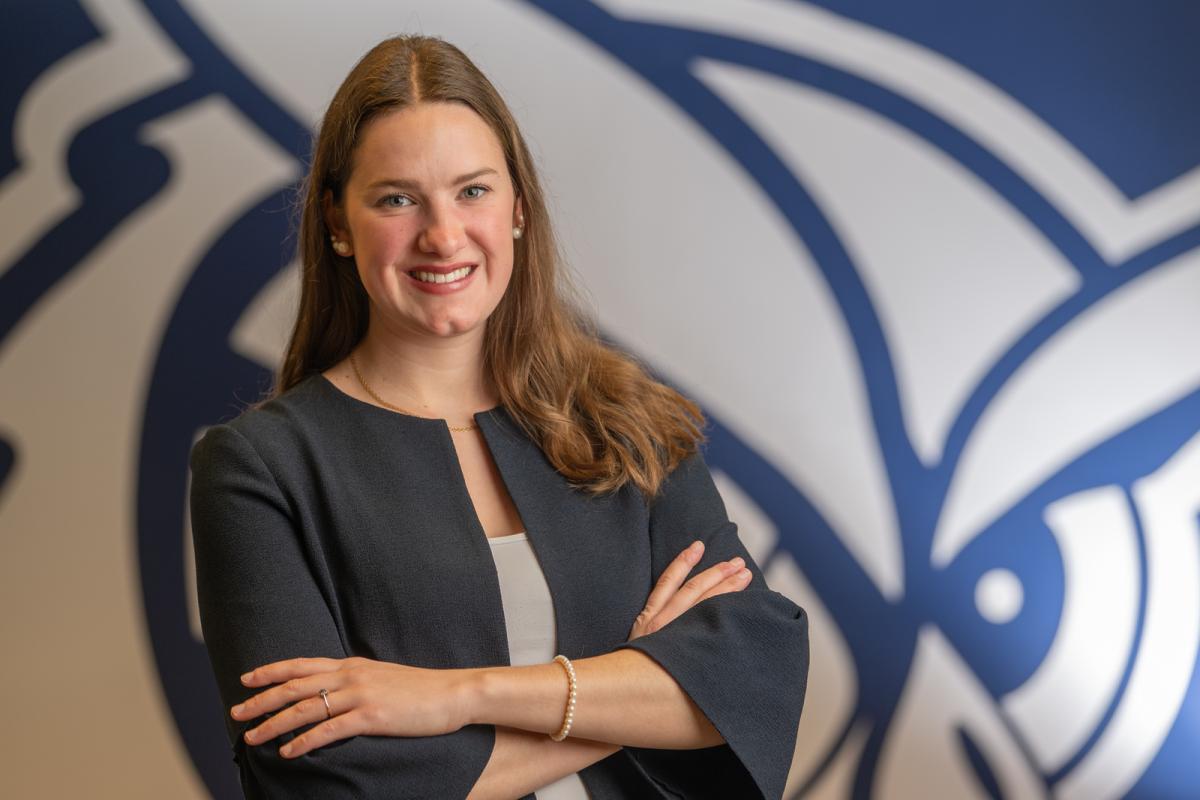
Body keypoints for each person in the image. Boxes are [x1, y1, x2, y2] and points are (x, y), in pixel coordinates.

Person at [189, 34, 808, 800]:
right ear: (338, 224)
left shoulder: (627, 424)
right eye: (397, 198)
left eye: (472, 191)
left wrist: (455, 696)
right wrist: (634, 686)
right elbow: (323, 780)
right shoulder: (257, 469)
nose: (443, 235)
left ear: (518, 207)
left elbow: (754, 674)